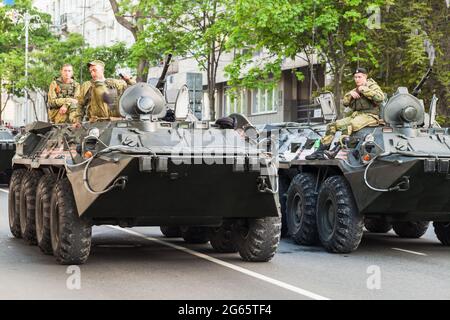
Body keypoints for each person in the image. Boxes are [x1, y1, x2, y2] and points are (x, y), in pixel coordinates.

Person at [306, 67, 385, 160]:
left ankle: (335, 150)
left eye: (359, 77)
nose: (357, 79)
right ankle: (320, 151)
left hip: (370, 115)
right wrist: (350, 94)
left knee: (350, 125)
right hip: (357, 115)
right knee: (332, 125)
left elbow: (380, 98)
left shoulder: (372, 86)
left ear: (365, 77)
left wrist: (363, 89)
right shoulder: (355, 89)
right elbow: (345, 103)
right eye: (355, 77)